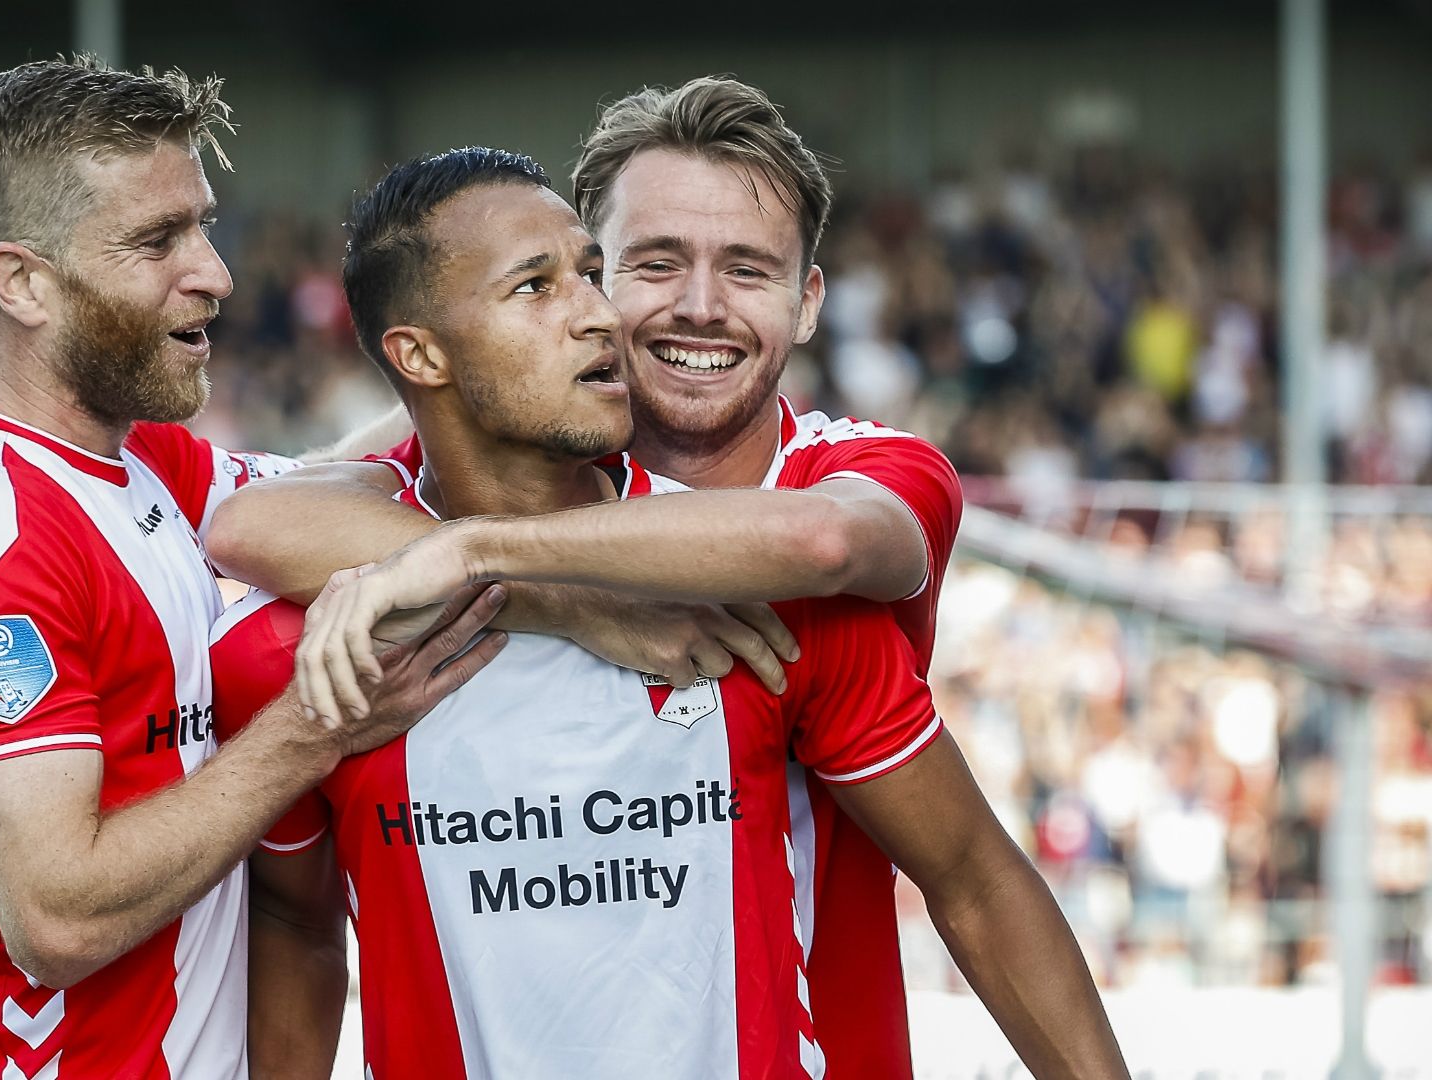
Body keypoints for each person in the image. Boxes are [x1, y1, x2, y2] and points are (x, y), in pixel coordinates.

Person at [208, 80, 1126, 1077]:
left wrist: (473, 554)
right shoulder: (341, 595)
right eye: (642, 265)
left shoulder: (807, 565)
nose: (697, 305)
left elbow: (823, 551)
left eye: (748, 270)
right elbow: (255, 514)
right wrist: (536, 587)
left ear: (808, 299)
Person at [0, 57, 507, 1078]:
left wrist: (493, 370)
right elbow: (58, 918)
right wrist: (317, 723)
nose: (214, 271)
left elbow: (345, 484)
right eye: (157, 240)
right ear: (23, 281)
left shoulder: (136, 455)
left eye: (203, 224)